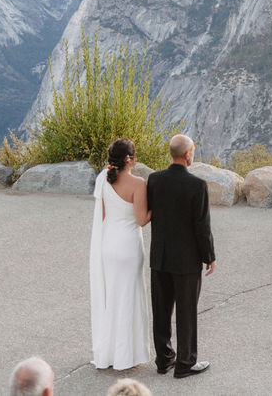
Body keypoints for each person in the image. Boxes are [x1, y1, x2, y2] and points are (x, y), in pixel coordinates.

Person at [147, 134, 216, 378]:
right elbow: (202, 226)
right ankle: (185, 363)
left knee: (161, 310)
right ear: (188, 155)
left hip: (160, 257)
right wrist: (209, 255)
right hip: (186, 260)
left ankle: (164, 360)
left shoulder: (154, 180)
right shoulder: (197, 185)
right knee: (186, 312)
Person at [90, 138, 152, 370]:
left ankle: (108, 353)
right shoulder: (138, 183)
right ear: (131, 159)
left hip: (108, 245)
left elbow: (103, 215)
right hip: (128, 247)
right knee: (129, 298)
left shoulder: (103, 179)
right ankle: (126, 355)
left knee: (111, 299)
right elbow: (141, 220)